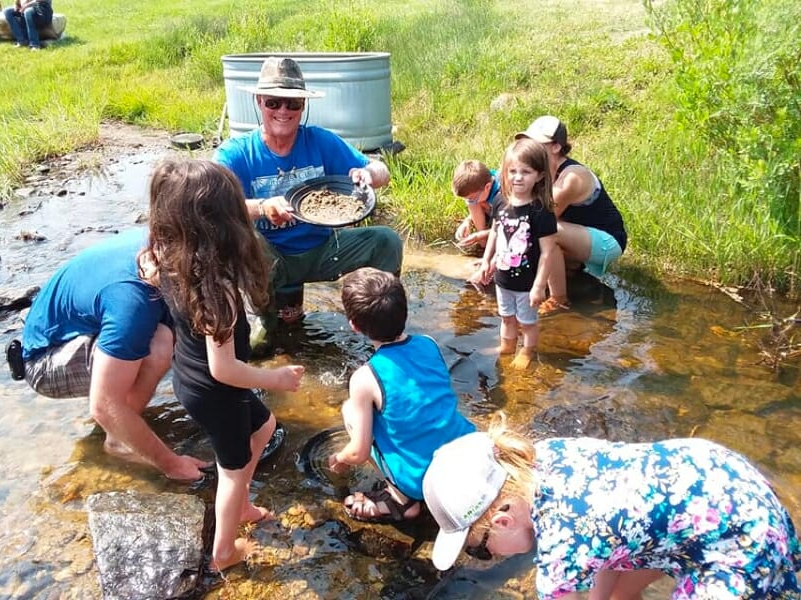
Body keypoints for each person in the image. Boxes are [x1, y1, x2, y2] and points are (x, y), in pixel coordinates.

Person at [422, 417, 801, 598]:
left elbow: (581, 549)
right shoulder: (544, 457)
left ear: (502, 522)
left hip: (739, 541)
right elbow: (607, 544)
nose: (484, 556)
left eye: (479, 549)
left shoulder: (561, 547)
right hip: (720, 480)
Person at [145, 158, 305, 571]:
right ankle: (223, 553)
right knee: (231, 472)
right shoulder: (220, 291)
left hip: (188, 376)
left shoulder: (166, 258)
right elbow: (226, 369)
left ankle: (244, 505)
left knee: (266, 426)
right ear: (224, 224)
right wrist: (277, 378)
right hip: (216, 392)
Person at [213, 56, 404, 351]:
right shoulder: (237, 152)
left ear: (303, 107)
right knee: (242, 241)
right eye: (274, 102)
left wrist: (366, 173)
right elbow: (215, 205)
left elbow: (382, 171)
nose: (283, 111)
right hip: (271, 258)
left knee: (386, 240)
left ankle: (380, 324)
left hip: (324, 250)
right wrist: (262, 208)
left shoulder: (319, 141)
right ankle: (265, 317)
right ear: (260, 102)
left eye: (293, 104)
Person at [18, 228, 211, 481]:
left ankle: (125, 421)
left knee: (172, 334)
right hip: (44, 361)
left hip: (81, 331)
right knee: (160, 343)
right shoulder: (134, 303)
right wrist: (172, 465)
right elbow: (103, 406)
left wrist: (263, 208)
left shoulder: (165, 239)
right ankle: (119, 442)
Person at [327, 267, 475, 523]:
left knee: (351, 410)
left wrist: (338, 459)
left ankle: (401, 499)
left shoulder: (365, 377)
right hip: (465, 452)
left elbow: (359, 453)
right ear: (404, 311)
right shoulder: (428, 342)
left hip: (420, 480)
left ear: (354, 326)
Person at [516, 116, 627, 315]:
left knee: (549, 231)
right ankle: (570, 271)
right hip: (580, 234)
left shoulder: (571, 177)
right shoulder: (542, 171)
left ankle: (559, 299)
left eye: (535, 143)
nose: (528, 147)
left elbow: (541, 219)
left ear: (556, 146)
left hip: (608, 242)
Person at [468, 138, 558, 369]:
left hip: (527, 284)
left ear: (539, 176)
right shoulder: (501, 202)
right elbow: (496, 233)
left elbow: (548, 252)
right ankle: (507, 347)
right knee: (506, 318)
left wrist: (539, 286)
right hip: (503, 280)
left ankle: (528, 351)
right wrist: (487, 260)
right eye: (513, 171)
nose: (518, 177)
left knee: (527, 323)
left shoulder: (540, 211)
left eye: (526, 172)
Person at [451, 159, 501, 256]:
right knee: (475, 203)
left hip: (512, 217)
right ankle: (484, 246)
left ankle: (486, 245)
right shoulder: (480, 185)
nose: (470, 202)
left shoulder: (503, 194)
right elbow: (475, 201)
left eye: (471, 199)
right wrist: (468, 221)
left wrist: (481, 235)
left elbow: (510, 226)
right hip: (492, 208)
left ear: (487, 187)